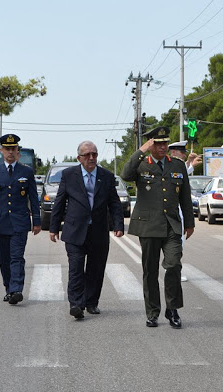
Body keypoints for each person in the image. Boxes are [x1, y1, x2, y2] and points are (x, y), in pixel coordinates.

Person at [121, 126, 194, 329]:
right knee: (150, 271)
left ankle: (172, 309)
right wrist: (141, 149)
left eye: (165, 143)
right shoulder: (141, 164)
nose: (163, 147)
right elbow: (125, 174)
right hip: (149, 226)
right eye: (158, 143)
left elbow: (185, 198)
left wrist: (189, 223)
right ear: (151, 144)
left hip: (171, 225)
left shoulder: (177, 166)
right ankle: (152, 312)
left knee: (173, 265)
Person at [49, 141, 124, 319]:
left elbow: (114, 202)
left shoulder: (106, 176)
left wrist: (118, 225)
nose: (91, 158)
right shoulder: (69, 175)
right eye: (87, 155)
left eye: (94, 154)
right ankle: (76, 304)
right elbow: (60, 201)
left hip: (98, 230)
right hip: (75, 230)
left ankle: (91, 303)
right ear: (79, 158)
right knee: (75, 268)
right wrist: (54, 228)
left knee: (96, 269)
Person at [0, 134, 41, 305]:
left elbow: (33, 198)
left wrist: (36, 221)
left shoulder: (26, 172)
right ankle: (9, 288)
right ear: (1, 151)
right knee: (4, 258)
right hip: (0, 222)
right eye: (6, 149)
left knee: (16, 257)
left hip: (20, 222)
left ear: (17, 151)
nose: (10, 152)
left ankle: (16, 289)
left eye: (13, 149)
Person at [168, 140, 198, 281]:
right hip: (169, 210)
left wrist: (189, 164)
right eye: (182, 152)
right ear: (173, 152)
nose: (184, 154)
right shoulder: (167, 165)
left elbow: (181, 174)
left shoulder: (178, 166)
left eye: (184, 152)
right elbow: (178, 175)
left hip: (178, 210)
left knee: (178, 243)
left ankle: (175, 271)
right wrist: (190, 165)